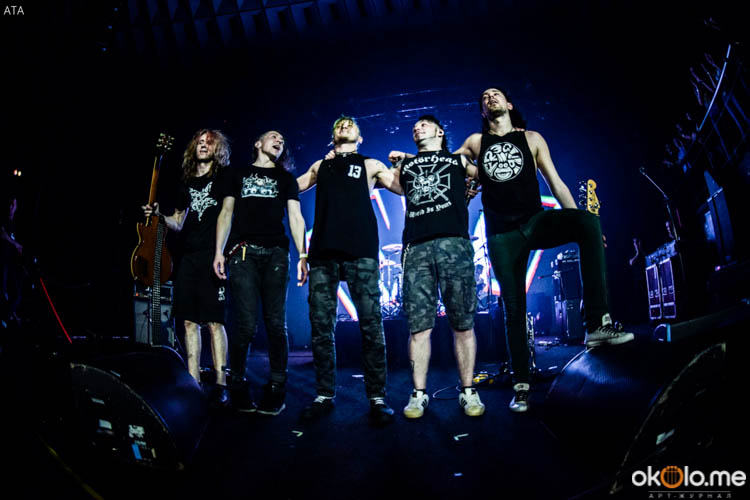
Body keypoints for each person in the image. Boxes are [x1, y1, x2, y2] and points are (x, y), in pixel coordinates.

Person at [392, 88, 634, 414]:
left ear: (508, 104)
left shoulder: (532, 139)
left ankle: (596, 325)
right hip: (502, 235)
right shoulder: (476, 142)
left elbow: (556, 182)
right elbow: (444, 161)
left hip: (534, 221)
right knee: (514, 308)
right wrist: (415, 162)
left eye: (496, 94)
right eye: (484, 97)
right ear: (482, 111)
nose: (490, 97)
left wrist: (583, 224)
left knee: (589, 222)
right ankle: (521, 388)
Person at [295, 116, 397, 426]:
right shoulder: (320, 166)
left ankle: (377, 397)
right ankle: (324, 395)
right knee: (321, 327)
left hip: (361, 251)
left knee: (371, 325)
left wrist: (402, 165)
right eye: (339, 124)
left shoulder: (370, 164)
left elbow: (401, 188)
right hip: (323, 253)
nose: (344, 125)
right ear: (332, 135)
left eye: (350, 124)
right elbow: (290, 188)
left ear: (360, 137)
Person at [384, 115, 485, 418]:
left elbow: (488, 176)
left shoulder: (457, 161)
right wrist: (398, 161)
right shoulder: (407, 166)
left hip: (454, 243)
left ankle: (468, 390)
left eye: (424, 124)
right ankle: (418, 394)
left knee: (463, 323)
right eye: (415, 126)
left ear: (440, 131)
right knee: (418, 326)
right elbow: (385, 181)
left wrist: (472, 185)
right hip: (416, 247)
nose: (417, 127)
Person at [213, 130, 308, 416]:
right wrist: (218, 251)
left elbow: (295, 217)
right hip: (243, 253)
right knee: (245, 324)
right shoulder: (238, 174)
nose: (280, 141)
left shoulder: (286, 179)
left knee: (276, 324)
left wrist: (303, 254)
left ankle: (277, 387)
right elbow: (226, 213)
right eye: (274, 137)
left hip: (276, 253)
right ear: (258, 143)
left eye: (283, 140)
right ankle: (238, 384)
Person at [143, 129, 231, 407]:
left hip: (212, 255)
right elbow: (178, 222)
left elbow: (227, 214)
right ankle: (194, 383)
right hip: (189, 258)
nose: (203, 145)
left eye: (209, 142)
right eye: (200, 142)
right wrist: (159, 216)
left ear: (217, 148)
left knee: (214, 321)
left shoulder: (224, 178)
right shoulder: (186, 183)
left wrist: (219, 252)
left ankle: (221, 383)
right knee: (189, 322)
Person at [1, 194, 23, 328]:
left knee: (16, 294)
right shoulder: (3, 220)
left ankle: (9, 317)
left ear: (16, 207)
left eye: (13, 205)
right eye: (9, 204)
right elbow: (2, 234)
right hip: (3, 262)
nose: (10, 207)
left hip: (10, 264)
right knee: (3, 292)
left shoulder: (14, 224)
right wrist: (15, 244)